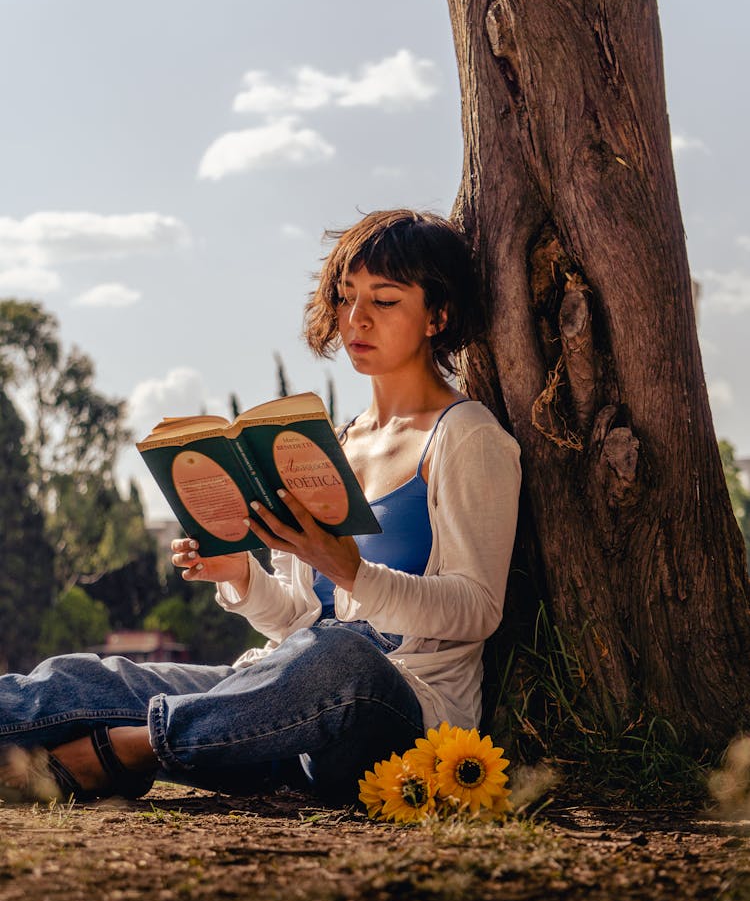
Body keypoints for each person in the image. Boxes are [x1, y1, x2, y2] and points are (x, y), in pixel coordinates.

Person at [0, 208, 521, 805]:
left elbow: (479, 609)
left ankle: (127, 749)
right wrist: (242, 577)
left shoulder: (466, 437)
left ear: (439, 315)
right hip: (272, 709)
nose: (357, 318)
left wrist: (352, 572)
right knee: (84, 677)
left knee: (339, 655)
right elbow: (297, 623)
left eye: (385, 300)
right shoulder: (335, 445)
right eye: (347, 297)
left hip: (394, 718)